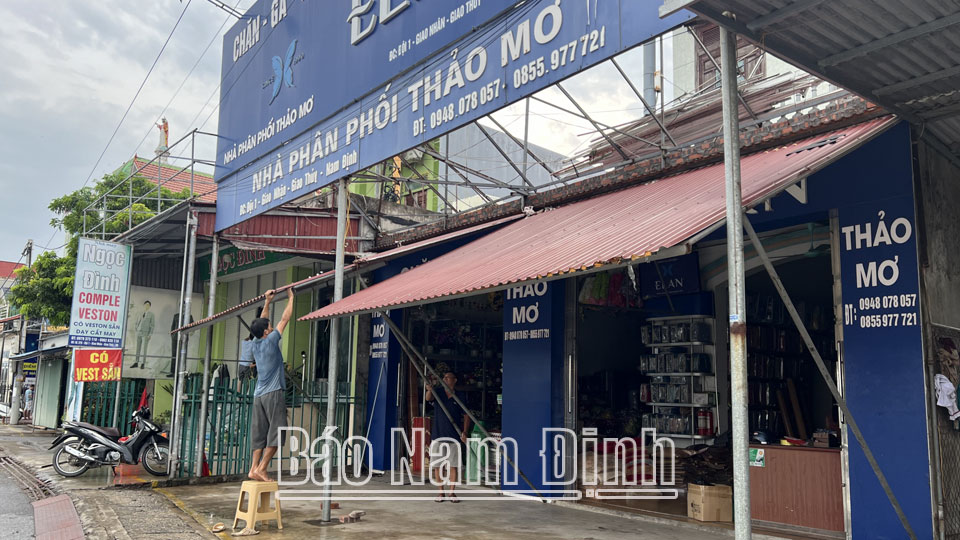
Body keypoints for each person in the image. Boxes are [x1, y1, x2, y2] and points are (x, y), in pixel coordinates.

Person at [248, 288, 294, 482]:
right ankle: (262, 469)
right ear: (267, 331)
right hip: (273, 394)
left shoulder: (255, 343)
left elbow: (262, 321)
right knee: (277, 433)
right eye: (269, 326)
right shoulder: (271, 341)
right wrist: (291, 297)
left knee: (260, 435)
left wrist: (267, 301)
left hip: (258, 395)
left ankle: (253, 469)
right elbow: (284, 319)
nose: (271, 326)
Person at [425, 371, 471, 503]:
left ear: (454, 380)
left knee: (453, 466)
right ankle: (441, 492)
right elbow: (428, 399)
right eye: (443, 377)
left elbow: (466, 415)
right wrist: (429, 390)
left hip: (454, 436)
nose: (445, 379)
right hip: (438, 435)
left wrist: (465, 432)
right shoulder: (438, 392)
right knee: (438, 465)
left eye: (447, 377)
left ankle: (452, 492)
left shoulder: (460, 396)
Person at [132, 301, 154, 369]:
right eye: (146, 305)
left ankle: (143, 363)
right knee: (137, 348)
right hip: (139, 332)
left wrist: (150, 334)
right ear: (144, 305)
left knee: (144, 349)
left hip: (145, 333)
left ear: (150, 306)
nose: (146, 306)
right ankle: (136, 362)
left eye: (148, 305)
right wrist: (136, 329)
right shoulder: (140, 313)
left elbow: (152, 325)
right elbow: (136, 322)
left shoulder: (151, 315)